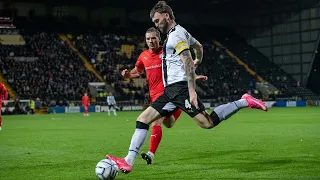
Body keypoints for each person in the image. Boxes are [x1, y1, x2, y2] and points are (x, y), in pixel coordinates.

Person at [106, 1, 268, 174]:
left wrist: (191, 88)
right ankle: (128, 161)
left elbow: (187, 60)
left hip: (180, 90)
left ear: (166, 16)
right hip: (170, 92)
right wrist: (198, 60)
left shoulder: (176, 36)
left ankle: (244, 101)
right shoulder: (180, 32)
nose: (156, 24)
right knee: (143, 119)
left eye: (157, 20)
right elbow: (199, 47)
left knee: (207, 123)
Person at [121, 27, 208, 164]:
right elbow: (137, 71)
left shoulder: (168, 52)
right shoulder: (143, 56)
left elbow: (184, 66)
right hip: (155, 96)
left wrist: (194, 76)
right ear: (145, 40)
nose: (151, 41)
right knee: (169, 123)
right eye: (148, 39)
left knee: (156, 121)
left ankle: (150, 154)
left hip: (171, 94)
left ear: (159, 39)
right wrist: (128, 75)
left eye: (154, 38)